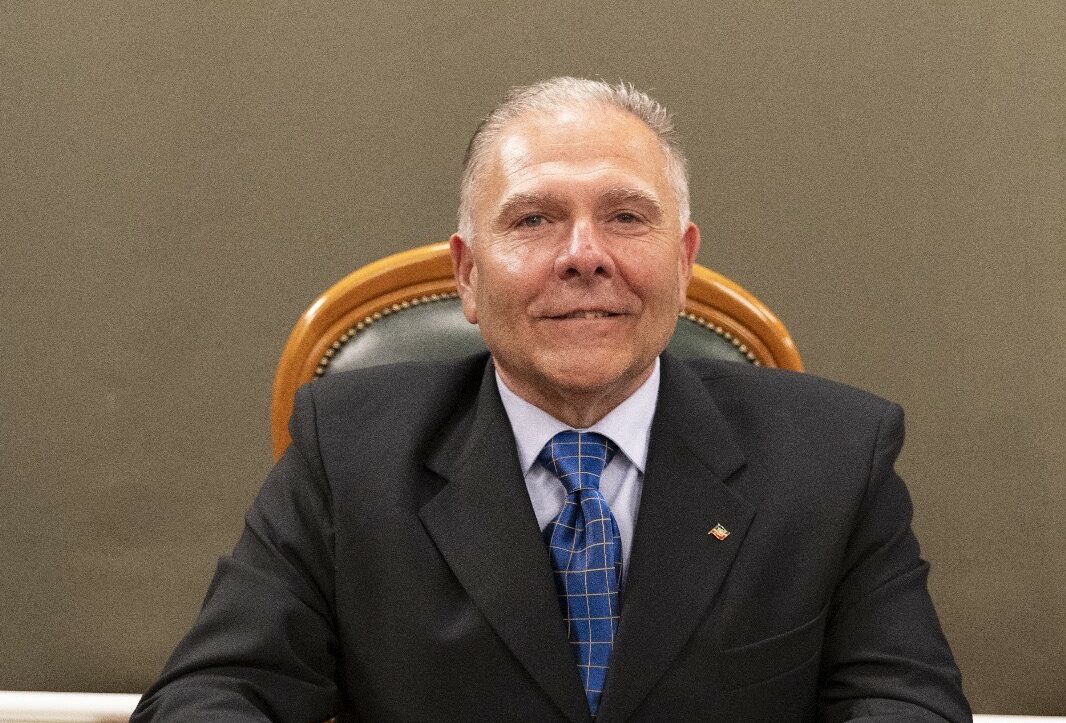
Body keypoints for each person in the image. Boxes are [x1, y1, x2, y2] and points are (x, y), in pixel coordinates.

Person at [132, 78, 971, 722]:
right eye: (534, 219)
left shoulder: (837, 457)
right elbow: (212, 692)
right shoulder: (347, 452)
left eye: (626, 217)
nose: (583, 255)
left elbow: (907, 704)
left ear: (683, 264)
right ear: (468, 274)